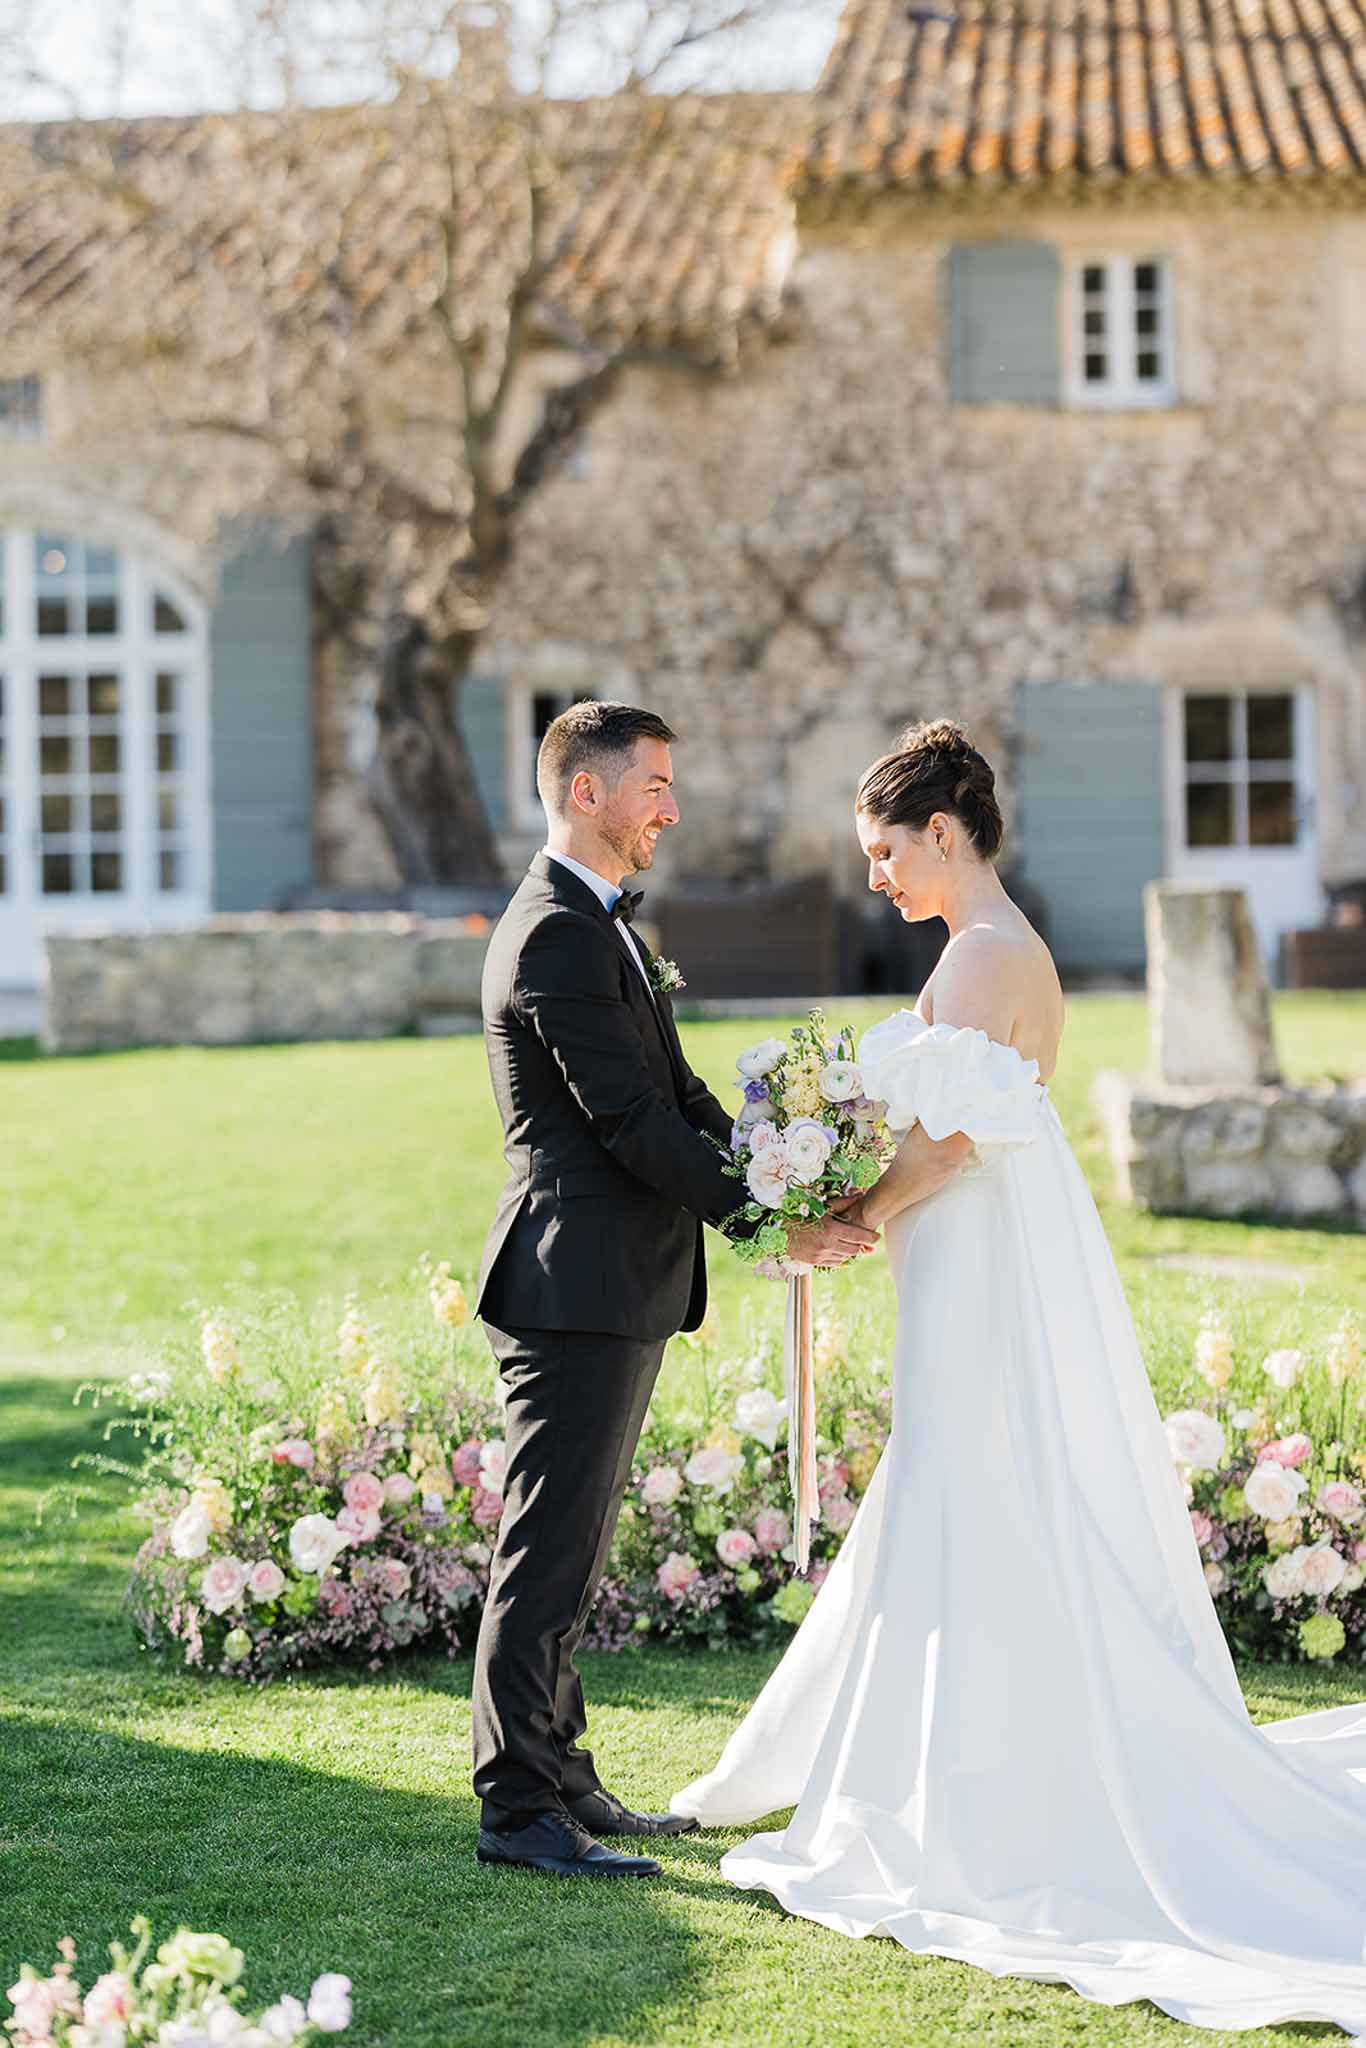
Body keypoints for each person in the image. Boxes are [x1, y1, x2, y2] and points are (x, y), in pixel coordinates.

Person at [673, 719, 1366, 2036]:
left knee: (961, 1477)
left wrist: (842, 1214)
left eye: (885, 850)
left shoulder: (989, 956)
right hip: (968, 1258)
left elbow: (941, 1146)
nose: (874, 875)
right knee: (956, 1483)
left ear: (944, 831)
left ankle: (961, 1780)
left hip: (972, 1255)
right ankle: (883, 1749)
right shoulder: (981, 950)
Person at [473, 699, 876, 1880]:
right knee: (544, 1555)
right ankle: (516, 1811)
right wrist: (770, 1222)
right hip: (569, 1283)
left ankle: (566, 1776)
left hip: (612, 1281)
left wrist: (784, 1162)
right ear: (584, 791)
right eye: (652, 782)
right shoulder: (552, 932)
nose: (671, 805)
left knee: (576, 1548)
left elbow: (683, 1093)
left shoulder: (600, 928)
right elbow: (628, 1122)